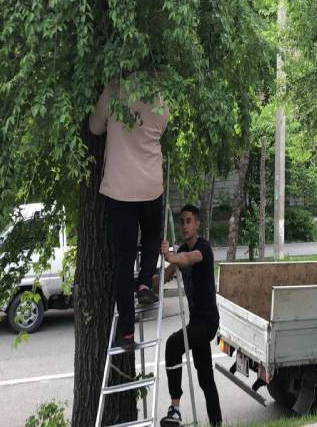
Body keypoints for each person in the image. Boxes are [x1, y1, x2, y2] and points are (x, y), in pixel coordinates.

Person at [89, 78, 168, 351]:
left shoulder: (112, 90)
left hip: (120, 189)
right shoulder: (158, 96)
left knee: (123, 261)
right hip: (149, 185)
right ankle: (145, 282)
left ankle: (126, 333)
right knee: (152, 234)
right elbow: (162, 127)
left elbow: (94, 127)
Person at [160, 204, 222, 426]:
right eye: (182, 222)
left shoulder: (203, 248)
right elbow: (165, 276)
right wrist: (145, 284)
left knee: (173, 345)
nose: (185, 226)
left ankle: (175, 409)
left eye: (189, 221)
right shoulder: (181, 251)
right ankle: (217, 423)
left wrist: (171, 256)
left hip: (207, 322)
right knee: (206, 379)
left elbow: (186, 259)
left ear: (197, 223)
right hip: (196, 323)